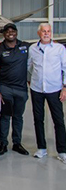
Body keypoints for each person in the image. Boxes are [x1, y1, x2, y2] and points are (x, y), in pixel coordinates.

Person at [27, 23, 66, 163]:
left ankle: (62, 151)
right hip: (37, 89)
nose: (46, 33)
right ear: (39, 33)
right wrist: (30, 80)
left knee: (59, 120)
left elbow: (65, 67)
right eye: (43, 31)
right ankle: (41, 148)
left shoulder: (59, 49)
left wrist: (65, 87)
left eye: (48, 31)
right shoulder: (33, 49)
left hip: (54, 89)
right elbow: (28, 66)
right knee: (38, 119)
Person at [0, 23, 30, 156]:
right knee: (5, 117)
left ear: (16, 33)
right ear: (4, 34)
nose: (10, 33)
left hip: (22, 90)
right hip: (6, 89)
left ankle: (17, 143)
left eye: (13, 31)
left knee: (18, 117)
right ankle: (3, 144)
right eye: (7, 31)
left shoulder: (25, 46)